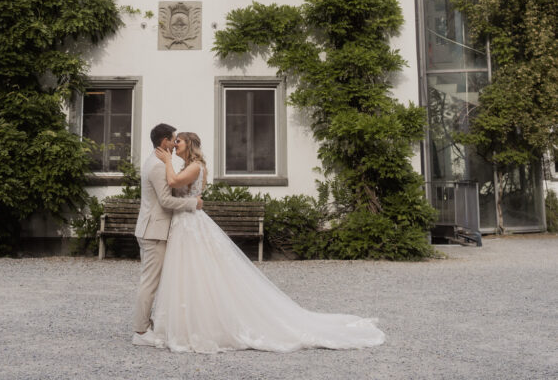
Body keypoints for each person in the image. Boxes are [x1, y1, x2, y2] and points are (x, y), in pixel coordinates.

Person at [146, 131, 385, 354]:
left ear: (190, 146)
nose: (174, 145)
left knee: (199, 271)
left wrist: (166, 161)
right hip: (183, 224)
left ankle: (203, 326)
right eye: (173, 142)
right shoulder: (188, 165)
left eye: (179, 142)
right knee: (187, 273)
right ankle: (187, 321)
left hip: (191, 224)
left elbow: (175, 183)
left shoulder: (196, 167)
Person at [132, 123, 203, 345]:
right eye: (173, 139)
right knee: (150, 282)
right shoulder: (157, 166)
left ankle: (146, 325)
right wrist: (194, 203)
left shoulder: (157, 161)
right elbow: (165, 200)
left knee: (153, 280)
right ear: (164, 142)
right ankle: (141, 332)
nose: (175, 143)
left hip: (155, 228)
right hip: (154, 230)